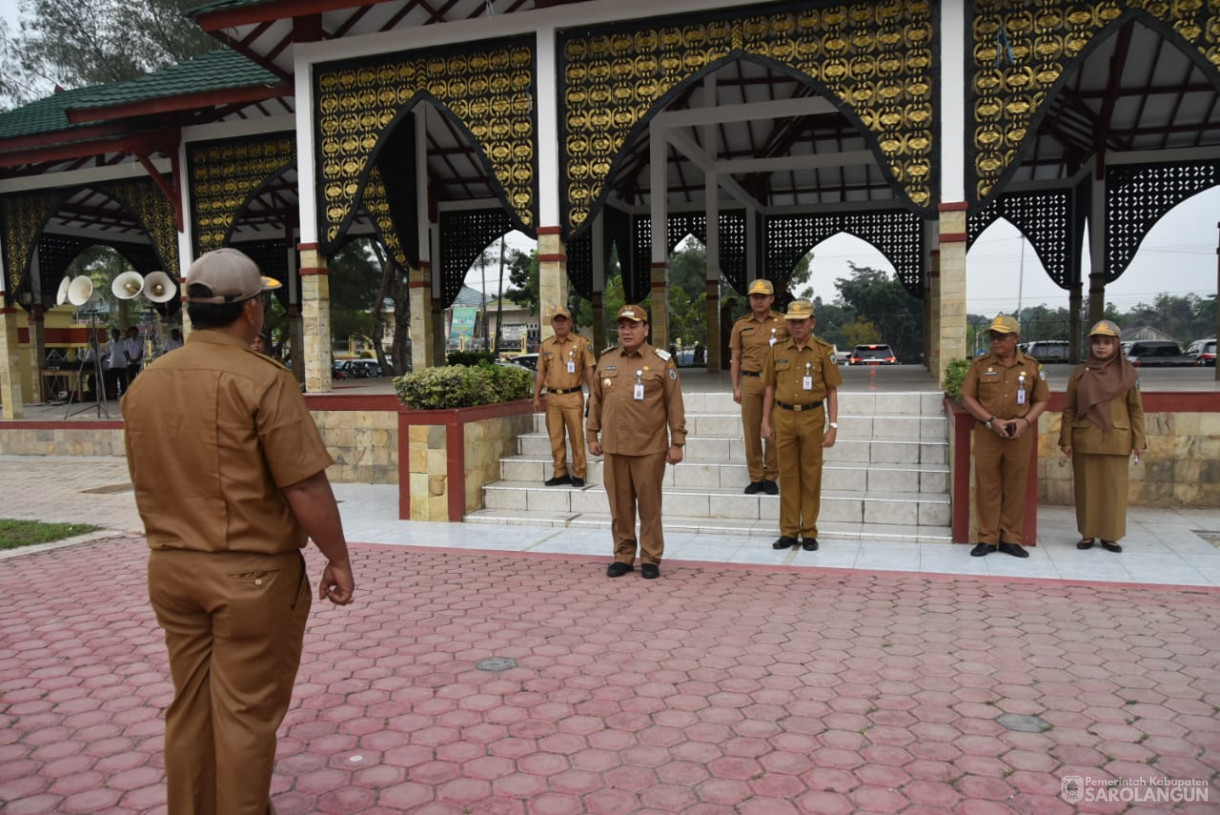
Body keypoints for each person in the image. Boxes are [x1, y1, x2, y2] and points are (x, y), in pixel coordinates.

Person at [122, 247, 355, 815]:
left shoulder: (148, 382)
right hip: (249, 576)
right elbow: (304, 487)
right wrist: (339, 557)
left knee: (192, 707)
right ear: (251, 310)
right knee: (246, 715)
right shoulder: (263, 380)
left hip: (172, 570)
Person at [586, 304, 686, 580]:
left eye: (632, 326)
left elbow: (674, 403)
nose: (626, 331)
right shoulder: (606, 360)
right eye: (622, 326)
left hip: (649, 448)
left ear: (646, 329)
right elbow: (595, 400)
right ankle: (623, 555)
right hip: (614, 447)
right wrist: (592, 434)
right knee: (620, 507)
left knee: (650, 507)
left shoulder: (661, 361)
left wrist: (677, 441)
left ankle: (651, 557)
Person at [961, 314, 1051, 558]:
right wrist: (991, 421)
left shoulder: (1032, 367)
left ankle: (1010, 538)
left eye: (1002, 336)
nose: (996, 341)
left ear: (1016, 338)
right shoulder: (980, 365)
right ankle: (988, 538)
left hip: (1019, 434)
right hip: (989, 432)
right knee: (987, 485)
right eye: (993, 336)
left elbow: (1042, 399)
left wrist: (1025, 421)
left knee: (1015, 485)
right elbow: (968, 398)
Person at [760, 299, 841, 552]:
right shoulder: (777, 350)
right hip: (783, 417)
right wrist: (765, 420)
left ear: (812, 322)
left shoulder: (824, 351)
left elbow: (832, 390)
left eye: (801, 321)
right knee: (788, 474)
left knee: (811, 475)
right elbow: (770, 387)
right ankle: (788, 530)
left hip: (812, 417)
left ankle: (809, 531)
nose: (796, 326)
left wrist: (833, 426)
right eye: (792, 321)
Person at [1058, 320, 1146, 553]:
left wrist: (1139, 441)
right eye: (1097, 342)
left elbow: (1135, 410)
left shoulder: (1129, 374)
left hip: (1117, 439)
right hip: (1085, 437)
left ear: (1116, 345)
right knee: (1086, 489)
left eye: (1107, 342)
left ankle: (1110, 536)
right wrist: (1066, 439)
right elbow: (1069, 409)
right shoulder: (1079, 374)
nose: (1101, 347)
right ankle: (1087, 534)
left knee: (1114, 491)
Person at [731, 279, 789, 495]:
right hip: (751, 381)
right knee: (751, 430)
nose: (758, 300)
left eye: (763, 296)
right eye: (754, 297)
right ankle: (756, 476)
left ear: (772, 299)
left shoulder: (784, 323)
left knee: (774, 429)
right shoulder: (741, 325)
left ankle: (772, 475)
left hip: (776, 382)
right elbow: (736, 358)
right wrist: (736, 388)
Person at [532, 306, 596, 487]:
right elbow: (541, 373)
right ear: (552, 323)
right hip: (552, 398)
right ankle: (560, 472)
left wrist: (592, 394)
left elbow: (590, 369)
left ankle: (579, 472)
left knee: (576, 435)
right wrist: (537, 397)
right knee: (556, 437)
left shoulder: (582, 342)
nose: (560, 323)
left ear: (570, 322)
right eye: (556, 320)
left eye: (563, 320)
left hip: (573, 396)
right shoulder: (546, 345)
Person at [105, 327, 127, 400]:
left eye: (115, 333)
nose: (113, 335)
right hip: (113, 364)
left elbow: (126, 352)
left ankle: (124, 394)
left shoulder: (123, 342)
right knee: (113, 380)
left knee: (123, 380)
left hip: (121, 363)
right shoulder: (109, 343)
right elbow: (107, 353)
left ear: (118, 334)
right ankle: (114, 394)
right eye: (112, 334)